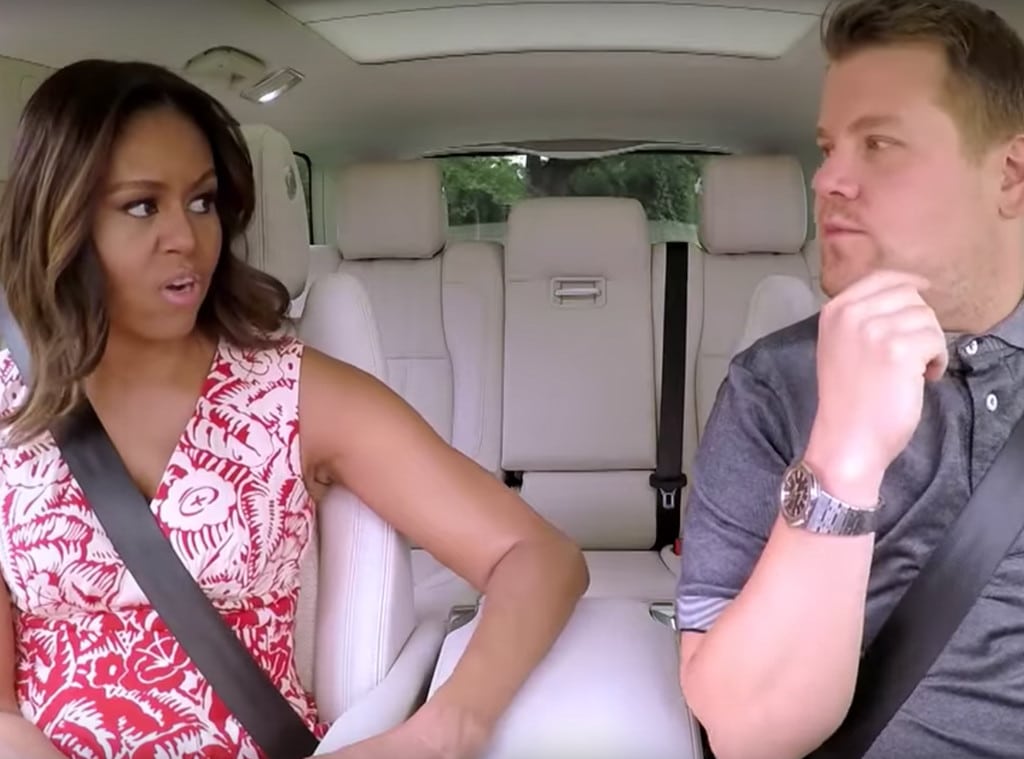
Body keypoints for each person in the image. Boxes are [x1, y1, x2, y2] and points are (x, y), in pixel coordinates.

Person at [0, 59, 588, 759]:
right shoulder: (10, 400)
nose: (186, 237)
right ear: (59, 218)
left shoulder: (290, 390)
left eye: (202, 201)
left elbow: (538, 555)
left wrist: (442, 730)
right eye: (141, 206)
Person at [675, 0, 1024, 757]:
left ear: (1010, 175)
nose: (828, 179)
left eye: (880, 144)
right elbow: (747, 735)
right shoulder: (772, 387)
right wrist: (844, 457)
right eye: (830, 148)